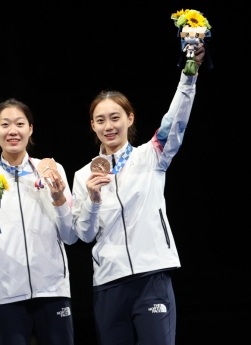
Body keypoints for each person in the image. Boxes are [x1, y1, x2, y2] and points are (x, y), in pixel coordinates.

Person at [71, 45, 206, 345]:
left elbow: (176, 121)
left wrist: (190, 75)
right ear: (93, 125)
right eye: (101, 120)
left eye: (115, 117)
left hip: (152, 277)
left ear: (130, 119)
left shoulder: (152, 156)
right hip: (108, 285)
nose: (109, 126)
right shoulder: (83, 176)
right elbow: (84, 234)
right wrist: (93, 200)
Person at [0, 99, 78, 345]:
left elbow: (70, 236)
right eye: (5, 124)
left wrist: (59, 198)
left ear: (30, 129)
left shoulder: (52, 171)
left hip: (53, 290)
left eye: (20, 123)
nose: (13, 130)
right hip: (7, 295)